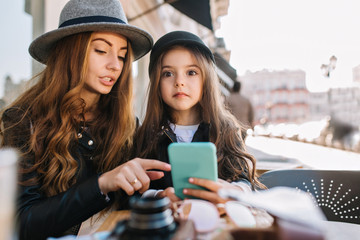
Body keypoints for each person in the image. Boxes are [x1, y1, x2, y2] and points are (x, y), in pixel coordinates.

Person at [0, 0, 172, 239]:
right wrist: (101, 184)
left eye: (122, 56)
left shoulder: (128, 124)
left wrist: (156, 196)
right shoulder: (22, 121)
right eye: (101, 50)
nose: (115, 65)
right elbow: (22, 223)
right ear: (71, 51)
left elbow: (131, 200)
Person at [135, 31, 264, 205]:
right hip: (165, 227)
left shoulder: (226, 130)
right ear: (157, 82)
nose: (179, 81)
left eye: (191, 72)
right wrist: (159, 196)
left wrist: (233, 191)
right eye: (168, 73)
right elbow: (132, 193)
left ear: (206, 79)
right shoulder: (145, 135)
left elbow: (246, 183)